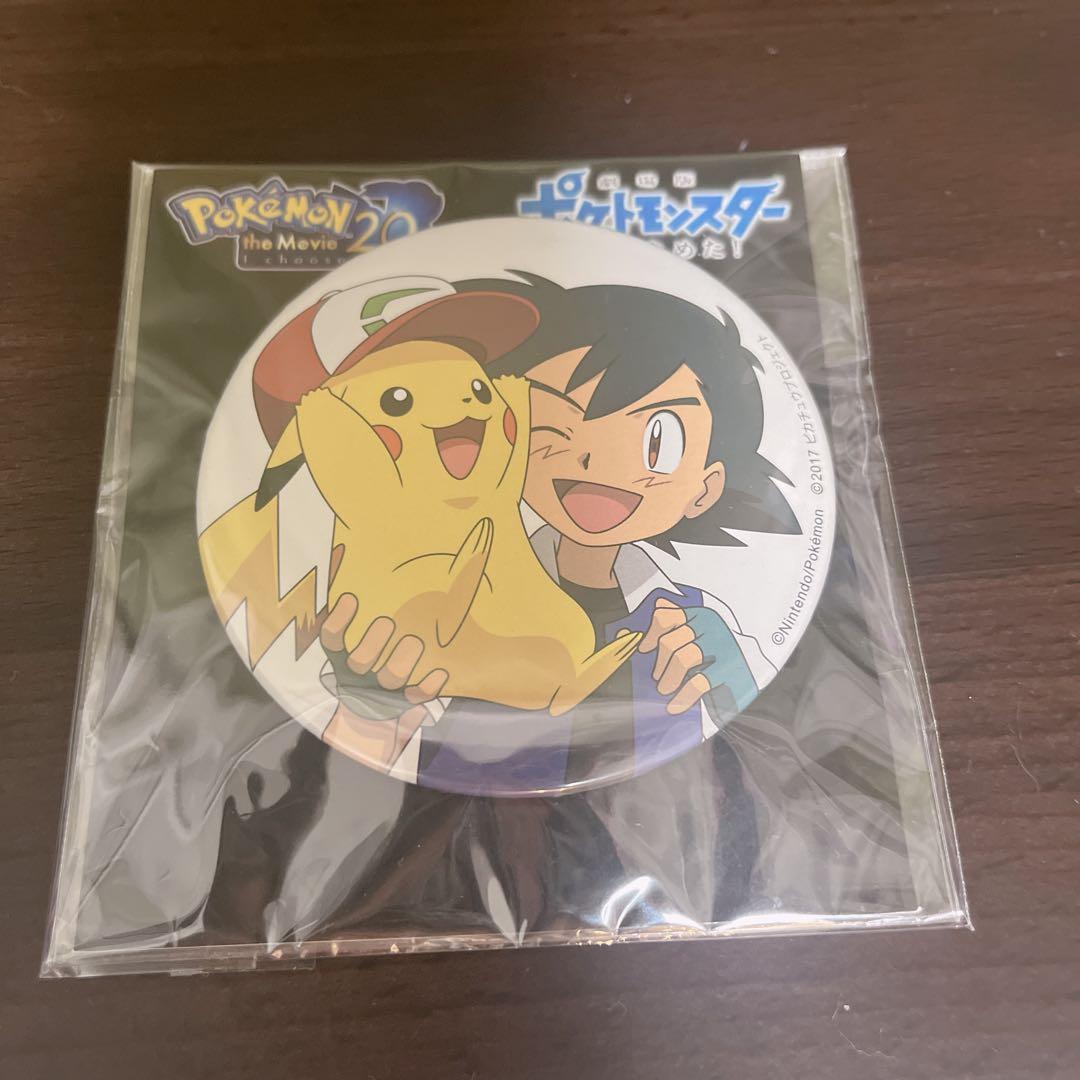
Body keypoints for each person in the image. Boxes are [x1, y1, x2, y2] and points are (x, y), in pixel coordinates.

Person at [321, 272, 800, 795]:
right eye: (551, 425)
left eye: (656, 441)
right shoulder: (460, 597)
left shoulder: (692, 625)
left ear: (705, 488)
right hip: (453, 818)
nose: (592, 459)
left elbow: (769, 761)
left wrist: (735, 680)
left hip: (652, 823)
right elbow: (358, 781)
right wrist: (370, 702)